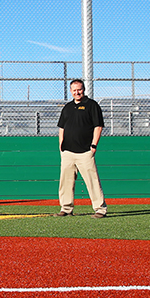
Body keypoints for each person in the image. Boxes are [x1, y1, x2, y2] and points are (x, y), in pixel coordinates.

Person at [54, 78, 107, 218]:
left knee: (92, 181)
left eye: (79, 89)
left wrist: (94, 145)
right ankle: (66, 208)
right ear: (70, 91)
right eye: (74, 90)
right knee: (65, 182)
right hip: (68, 152)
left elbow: (98, 126)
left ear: (83, 89)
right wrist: (61, 147)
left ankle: (100, 209)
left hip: (85, 151)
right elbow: (62, 128)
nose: (77, 92)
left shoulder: (92, 105)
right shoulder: (67, 107)